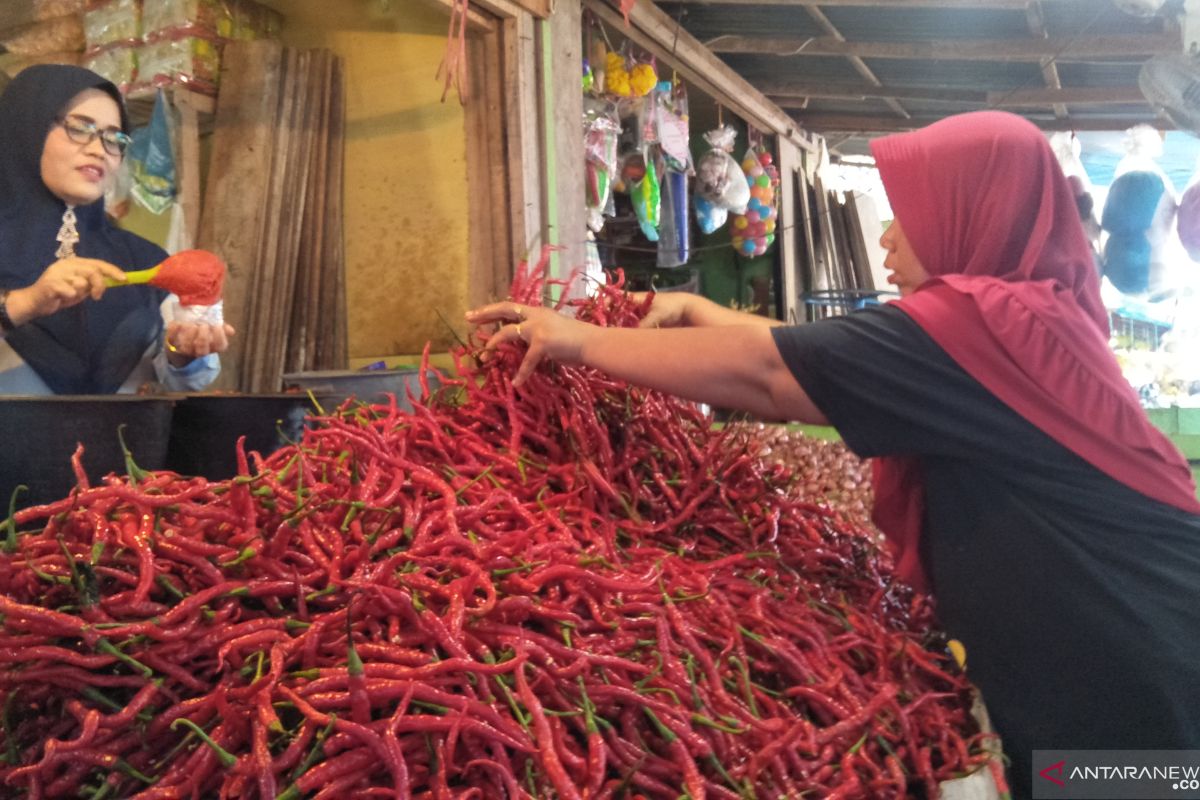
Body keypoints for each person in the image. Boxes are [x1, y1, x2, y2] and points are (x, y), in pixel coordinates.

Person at [467, 111, 1200, 798]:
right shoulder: (1027, 316)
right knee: (1071, 779)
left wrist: (580, 340)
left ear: (972, 213)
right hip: (1133, 657)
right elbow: (820, 357)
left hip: (1148, 683)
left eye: (907, 216)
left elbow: (775, 374)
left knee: (1113, 783)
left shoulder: (991, 324)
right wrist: (707, 314)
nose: (885, 240)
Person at [0, 64, 232, 395]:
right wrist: (24, 303)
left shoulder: (142, 259)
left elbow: (184, 379)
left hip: (119, 443)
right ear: (26, 129)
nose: (99, 150)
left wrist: (184, 353)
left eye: (114, 137)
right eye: (80, 128)